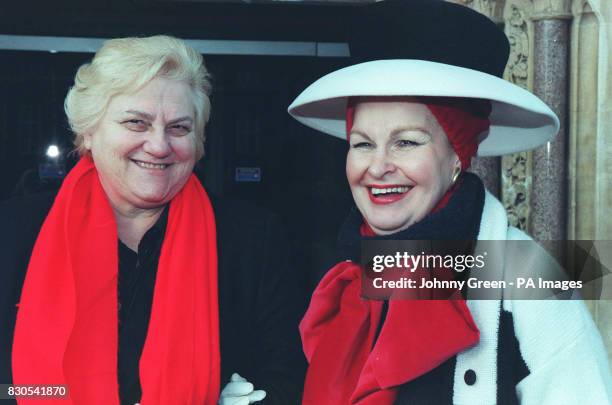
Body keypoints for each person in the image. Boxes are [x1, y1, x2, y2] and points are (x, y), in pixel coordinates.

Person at [288, 1, 612, 404]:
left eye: (406, 142)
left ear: (458, 154)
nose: (378, 166)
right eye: (362, 144)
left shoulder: (529, 272)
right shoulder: (351, 270)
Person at [0, 35, 305, 405]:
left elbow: (285, 376)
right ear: (90, 133)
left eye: (179, 128)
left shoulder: (254, 238)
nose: (159, 146)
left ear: (199, 142)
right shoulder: (14, 231)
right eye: (136, 123)